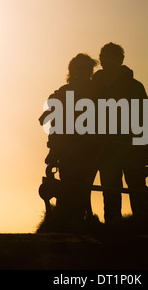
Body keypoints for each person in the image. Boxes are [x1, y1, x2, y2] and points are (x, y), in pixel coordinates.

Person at [92, 42, 148, 224]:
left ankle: (116, 225)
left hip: (117, 149)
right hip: (128, 149)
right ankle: (142, 225)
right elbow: (147, 119)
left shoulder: (96, 87)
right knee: (134, 187)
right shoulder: (135, 86)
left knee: (116, 188)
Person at [39, 53, 99, 230]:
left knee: (73, 187)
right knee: (75, 187)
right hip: (77, 152)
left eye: (85, 70)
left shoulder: (73, 92)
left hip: (80, 152)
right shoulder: (83, 92)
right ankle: (71, 221)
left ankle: (69, 221)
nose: (83, 74)